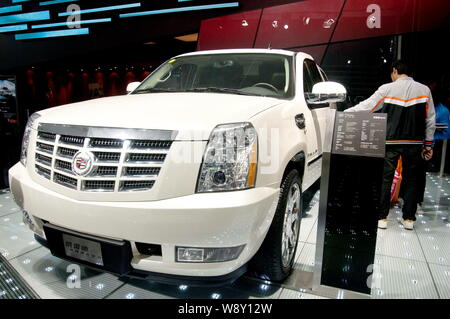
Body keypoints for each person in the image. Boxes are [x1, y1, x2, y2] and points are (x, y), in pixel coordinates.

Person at [345, 61, 435, 230]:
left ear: (395, 71)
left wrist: (346, 113)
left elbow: (368, 106)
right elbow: (431, 120)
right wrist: (428, 144)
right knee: (412, 181)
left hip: (390, 142)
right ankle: (409, 219)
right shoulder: (424, 90)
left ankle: (382, 218)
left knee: (385, 179)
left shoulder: (387, 88)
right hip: (414, 143)